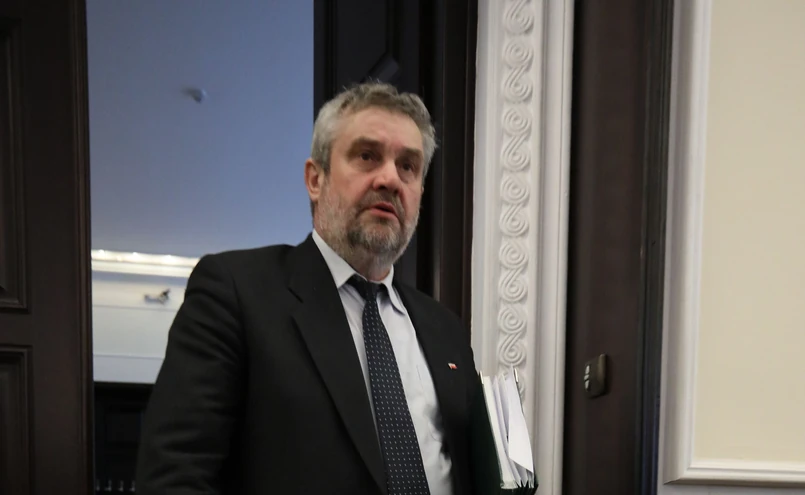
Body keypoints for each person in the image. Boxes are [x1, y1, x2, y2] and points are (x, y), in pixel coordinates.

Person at [135, 82, 479, 495]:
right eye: (367, 156)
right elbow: (175, 477)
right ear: (315, 179)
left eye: (408, 166)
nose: (390, 178)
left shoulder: (446, 331)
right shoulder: (235, 292)